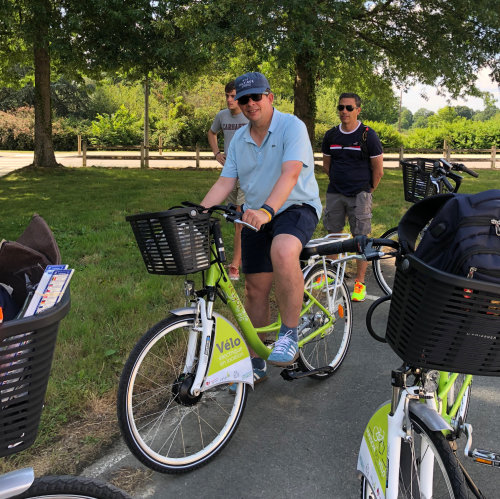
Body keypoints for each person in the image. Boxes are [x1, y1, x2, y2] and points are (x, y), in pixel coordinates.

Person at [201, 72, 322, 383]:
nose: (250, 103)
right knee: (254, 288)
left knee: (283, 250)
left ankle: (289, 333)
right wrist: (198, 212)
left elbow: (291, 174)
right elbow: (226, 181)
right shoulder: (240, 139)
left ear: (270, 97)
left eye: (256, 96)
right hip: (256, 213)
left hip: (295, 207)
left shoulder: (291, 126)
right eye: (244, 99)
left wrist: (269, 210)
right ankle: (256, 361)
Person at [321, 92, 384, 302]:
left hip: (360, 194)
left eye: (349, 108)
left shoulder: (368, 135)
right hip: (335, 192)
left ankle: (359, 283)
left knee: (361, 239)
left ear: (358, 110)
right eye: (341, 107)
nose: (344, 111)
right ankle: (332, 276)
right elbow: (327, 165)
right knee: (333, 235)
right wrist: (338, 182)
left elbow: (378, 169)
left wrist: (368, 190)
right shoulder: (331, 135)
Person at [208, 80, 249, 280]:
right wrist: (217, 154)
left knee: (239, 220)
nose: (229, 100)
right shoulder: (222, 116)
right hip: (229, 172)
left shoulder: (249, 114)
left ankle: (235, 264)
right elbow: (211, 132)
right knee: (234, 218)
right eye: (227, 95)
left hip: (248, 173)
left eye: (233, 95)